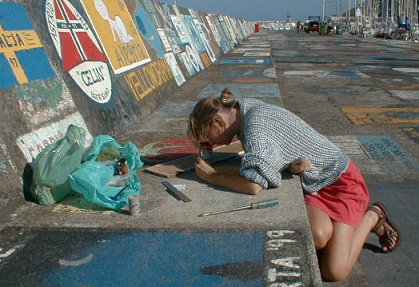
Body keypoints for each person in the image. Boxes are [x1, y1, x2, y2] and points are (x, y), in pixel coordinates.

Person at [187, 88, 400, 281]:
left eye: (207, 140)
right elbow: (270, 150)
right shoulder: (244, 107)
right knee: (316, 237)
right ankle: (341, 235)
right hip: (314, 179)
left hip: (342, 183)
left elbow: (254, 185)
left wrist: (211, 176)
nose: (211, 145)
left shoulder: (255, 128)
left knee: (334, 271)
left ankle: (372, 216)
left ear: (217, 121)